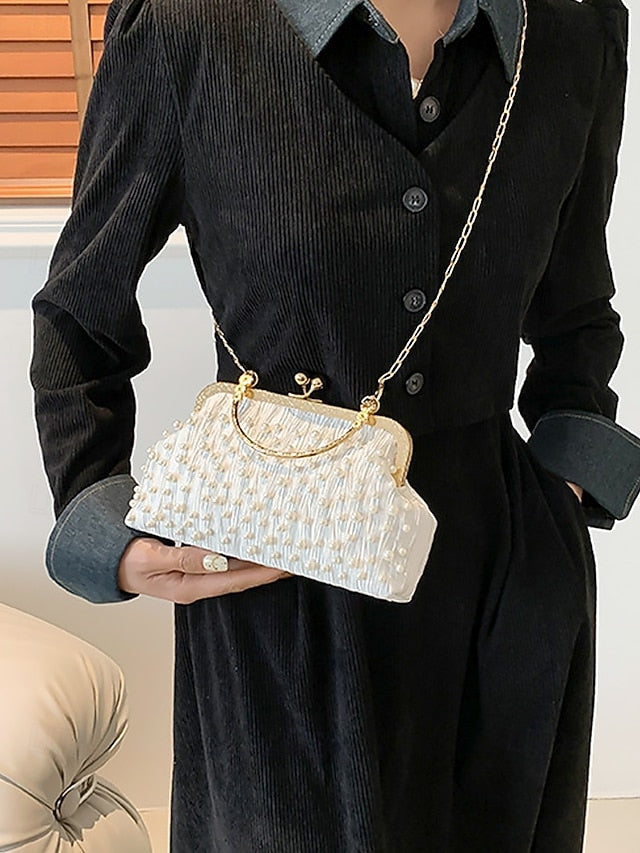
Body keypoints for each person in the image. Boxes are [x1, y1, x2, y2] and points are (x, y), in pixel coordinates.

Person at [30, 0, 640, 849]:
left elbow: (578, 309)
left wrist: (567, 491)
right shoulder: (187, 26)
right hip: (272, 587)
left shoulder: (574, 31)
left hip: (502, 583)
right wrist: (108, 529)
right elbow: (79, 316)